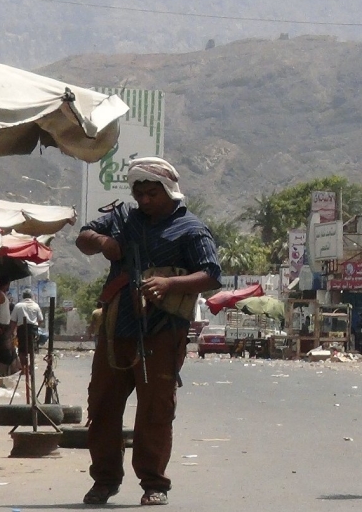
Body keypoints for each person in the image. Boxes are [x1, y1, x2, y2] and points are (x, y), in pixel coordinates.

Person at [75, 157, 221, 506]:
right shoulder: (123, 218)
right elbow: (83, 237)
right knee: (103, 406)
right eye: (138, 192)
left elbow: (212, 273)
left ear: (169, 191)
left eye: (151, 193)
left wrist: (169, 283)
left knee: (155, 410)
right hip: (116, 329)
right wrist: (103, 242)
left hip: (162, 331)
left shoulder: (191, 229)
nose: (144, 200)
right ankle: (105, 480)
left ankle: (153, 483)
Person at [0, 276, 18, 375]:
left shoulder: (3, 295)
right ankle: (0, 372)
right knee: (3, 351)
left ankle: (7, 371)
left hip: (5, 327)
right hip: (1, 327)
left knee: (9, 350)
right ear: (6, 284)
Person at [11, 288, 46, 362]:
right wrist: (36, 326)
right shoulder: (36, 306)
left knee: (21, 350)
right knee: (32, 348)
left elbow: (13, 321)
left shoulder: (18, 306)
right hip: (33, 330)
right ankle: (31, 366)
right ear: (31, 297)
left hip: (21, 330)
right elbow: (41, 320)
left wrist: (12, 332)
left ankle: (23, 368)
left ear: (23, 297)